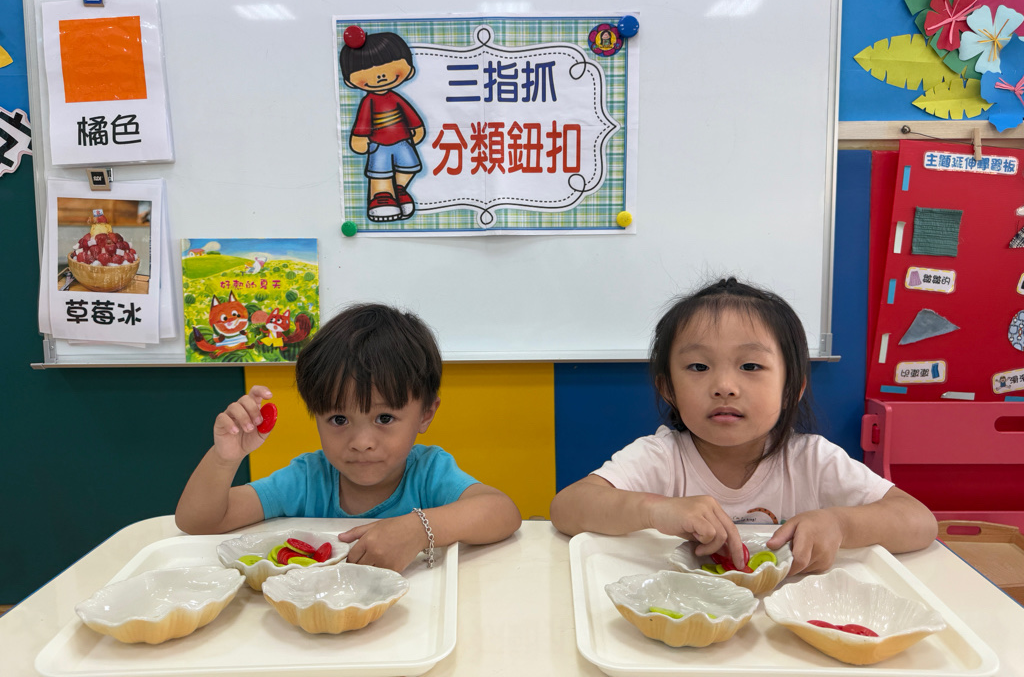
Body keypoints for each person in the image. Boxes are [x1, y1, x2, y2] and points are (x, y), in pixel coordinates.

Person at [549, 277, 937, 575]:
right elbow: (567, 508)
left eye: (750, 366)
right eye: (698, 366)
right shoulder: (661, 457)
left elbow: (919, 521)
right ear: (668, 388)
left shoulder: (811, 459)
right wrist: (656, 510)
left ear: (792, 388)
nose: (724, 387)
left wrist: (840, 524)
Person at [176, 303, 522, 572]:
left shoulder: (429, 472)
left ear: (425, 414)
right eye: (339, 419)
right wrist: (225, 458)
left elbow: (502, 512)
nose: (361, 441)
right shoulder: (307, 478)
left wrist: (419, 529)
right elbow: (199, 523)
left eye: (384, 418)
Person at [340, 31, 425, 222]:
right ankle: (381, 197)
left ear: (409, 70)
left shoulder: (396, 98)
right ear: (349, 81)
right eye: (368, 71)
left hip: (403, 141)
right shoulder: (368, 102)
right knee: (379, 173)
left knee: (409, 168)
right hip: (378, 145)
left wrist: (417, 129)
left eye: (389, 67)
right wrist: (359, 138)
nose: (380, 76)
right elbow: (362, 124)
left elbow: (411, 117)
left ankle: (398, 189)